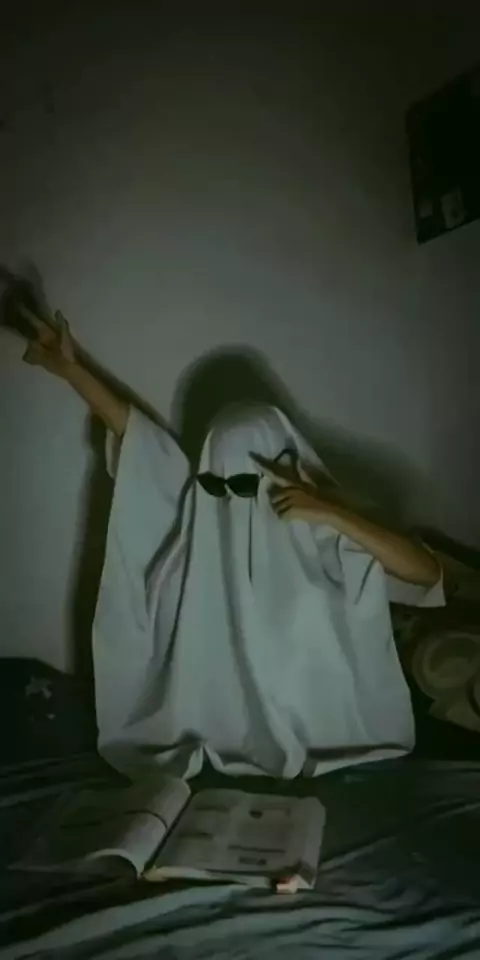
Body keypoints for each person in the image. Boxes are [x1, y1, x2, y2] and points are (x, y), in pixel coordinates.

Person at [14, 303, 443, 780]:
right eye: (216, 483)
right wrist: (70, 370)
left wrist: (331, 511)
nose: (227, 499)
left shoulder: (323, 536)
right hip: (213, 740)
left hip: (333, 744)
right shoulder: (199, 521)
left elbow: (426, 572)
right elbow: (138, 438)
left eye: (242, 485)